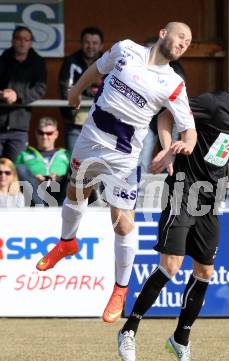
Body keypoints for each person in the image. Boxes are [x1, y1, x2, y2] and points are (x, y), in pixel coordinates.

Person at [117, 67, 229, 361]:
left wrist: (225, 169)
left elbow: (216, 148)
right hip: (182, 192)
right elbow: (166, 113)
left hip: (210, 200)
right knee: (170, 266)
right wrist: (167, 149)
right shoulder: (213, 103)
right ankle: (129, 329)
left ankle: (180, 340)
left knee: (205, 272)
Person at [35, 22, 196, 325]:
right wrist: (75, 90)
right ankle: (67, 242)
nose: (184, 43)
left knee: (122, 223)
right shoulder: (126, 49)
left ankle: (120, 290)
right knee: (75, 192)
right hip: (91, 137)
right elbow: (97, 68)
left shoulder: (173, 84)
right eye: (181, 36)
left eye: (189, 41)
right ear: (163, 33)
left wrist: (177, 147)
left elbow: (189, 131)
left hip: (123, 157)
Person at [0, 26, 47, 161]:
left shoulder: (38, 62)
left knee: (17, 170)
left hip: (19, 127)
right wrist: (2, 94)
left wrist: (17, 96)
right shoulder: (2, 60)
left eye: (26, 39)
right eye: (19, 39)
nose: (22, 42)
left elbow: (40, 89)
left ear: (31, 42)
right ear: (13, 41)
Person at [59, 27, 104, 152]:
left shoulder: (108, 62)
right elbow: (66, 90)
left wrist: (81, 91)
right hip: (75, 123)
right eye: (87, 42)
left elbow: (111, 92)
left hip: (101, 125)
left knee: (98, 165)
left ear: (101, 45)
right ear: (81, 43)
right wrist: (91, 90)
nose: (91, 46)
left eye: (95, 43)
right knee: (75, 166)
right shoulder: (71, 61)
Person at [15, 117, 70, 206]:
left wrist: (60, 177)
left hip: (60, 190)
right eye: (41, 133)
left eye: (49, 133)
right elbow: (12, 176)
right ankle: (40, 207)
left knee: (76, 170)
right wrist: (33, 178)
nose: (45, 137)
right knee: (20, 168)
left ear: (56, 134)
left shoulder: (66, 154)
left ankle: (61, 208)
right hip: (35, 191)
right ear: (36, 133)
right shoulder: (24, 154)